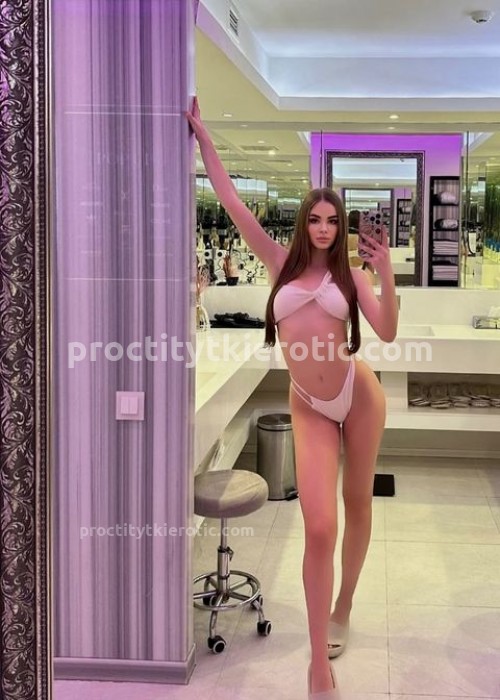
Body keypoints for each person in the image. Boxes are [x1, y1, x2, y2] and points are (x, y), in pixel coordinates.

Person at [187, 98, 398, 700]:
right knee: (320, 526)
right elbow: (232, 202)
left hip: (359, 395)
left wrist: (384, 271)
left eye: (333, 220)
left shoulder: (350, 277)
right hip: (308, 402)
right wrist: (205, 140)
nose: (324, 228)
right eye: (315, 219)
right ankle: (316, 664)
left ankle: (344, 605)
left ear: (341, 225)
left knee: (358, 504)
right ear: (304, 223)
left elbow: (386, 331)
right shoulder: (278, 262)